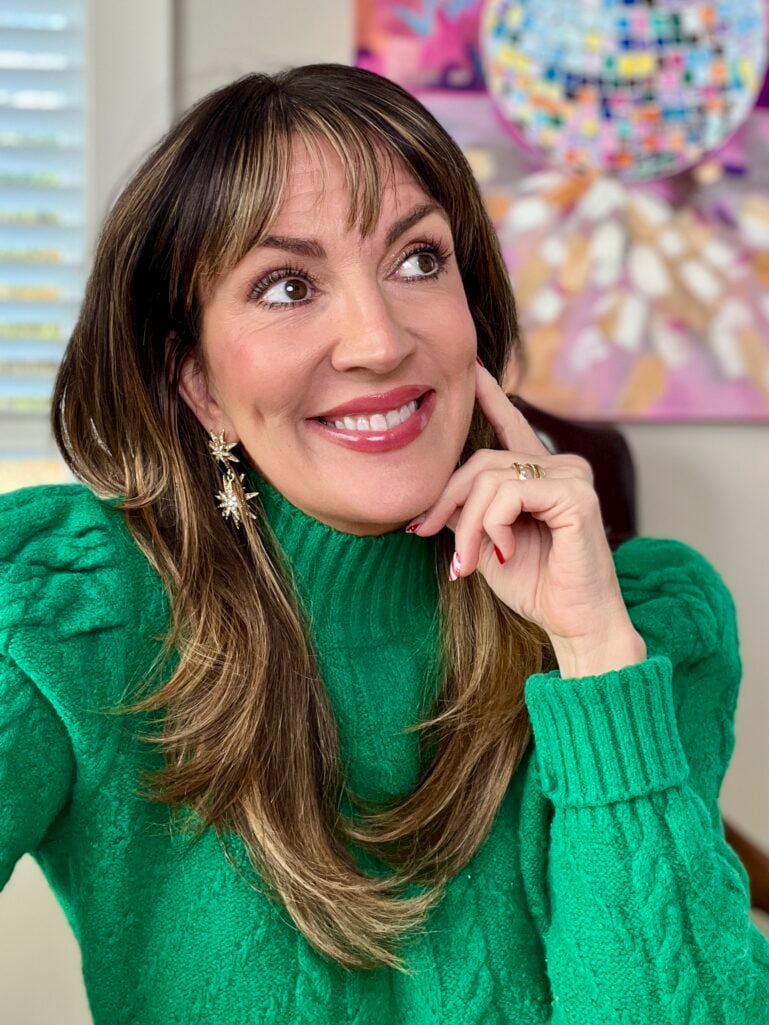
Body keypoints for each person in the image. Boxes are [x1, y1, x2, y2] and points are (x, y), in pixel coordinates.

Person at [0, 63, 766, 1025]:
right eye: (286, 285)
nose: (379, 341)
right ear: (197, 382)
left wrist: (593, 655)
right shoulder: (67, 611)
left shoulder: (646, 624)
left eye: (417, 260)